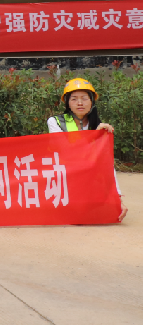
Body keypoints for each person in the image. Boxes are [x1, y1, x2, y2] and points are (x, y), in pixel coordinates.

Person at [47, 78, 127, 222]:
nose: (80, 103)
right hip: (66, 177)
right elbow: (66, 151)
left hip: (89, 177)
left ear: (91, 101)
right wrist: (95, 136)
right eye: (74, 99)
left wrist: (117, 197)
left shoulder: (98, 125)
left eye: (84, 98)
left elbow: (107, 165)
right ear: (67, 103)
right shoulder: (55, 122)